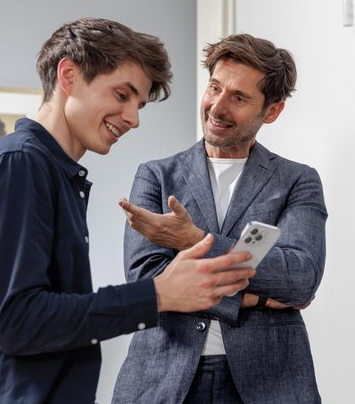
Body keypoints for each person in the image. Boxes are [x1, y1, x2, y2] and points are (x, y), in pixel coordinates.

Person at [0, 18, 256, 404]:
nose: (133, 118)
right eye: (121, 95)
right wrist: (157, 294)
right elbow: (18, 322)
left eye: (138, 104)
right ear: (69, 75)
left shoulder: (50, 174)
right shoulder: (17, 166)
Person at [112, 34, 327, 403]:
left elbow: (299, 276)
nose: (217, 107)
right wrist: (253, 300)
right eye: (215, 87)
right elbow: (148, 278)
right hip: (163, 376)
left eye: (239, 98)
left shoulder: (298, 180)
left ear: (272, 111)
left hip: (270, 381)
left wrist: (192, 241)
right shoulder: (156, 176)